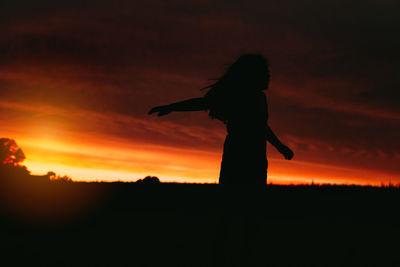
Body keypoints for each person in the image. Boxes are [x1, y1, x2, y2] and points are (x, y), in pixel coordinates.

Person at [148, 54, 293, 186]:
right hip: (238, 153)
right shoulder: (237, 95)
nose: (268, 76)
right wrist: (172, 107)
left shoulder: (260, 98)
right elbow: (203, 103)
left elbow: (260, 126)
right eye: (265, 72)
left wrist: (280, 146)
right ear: (253, 74)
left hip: (256, 156)